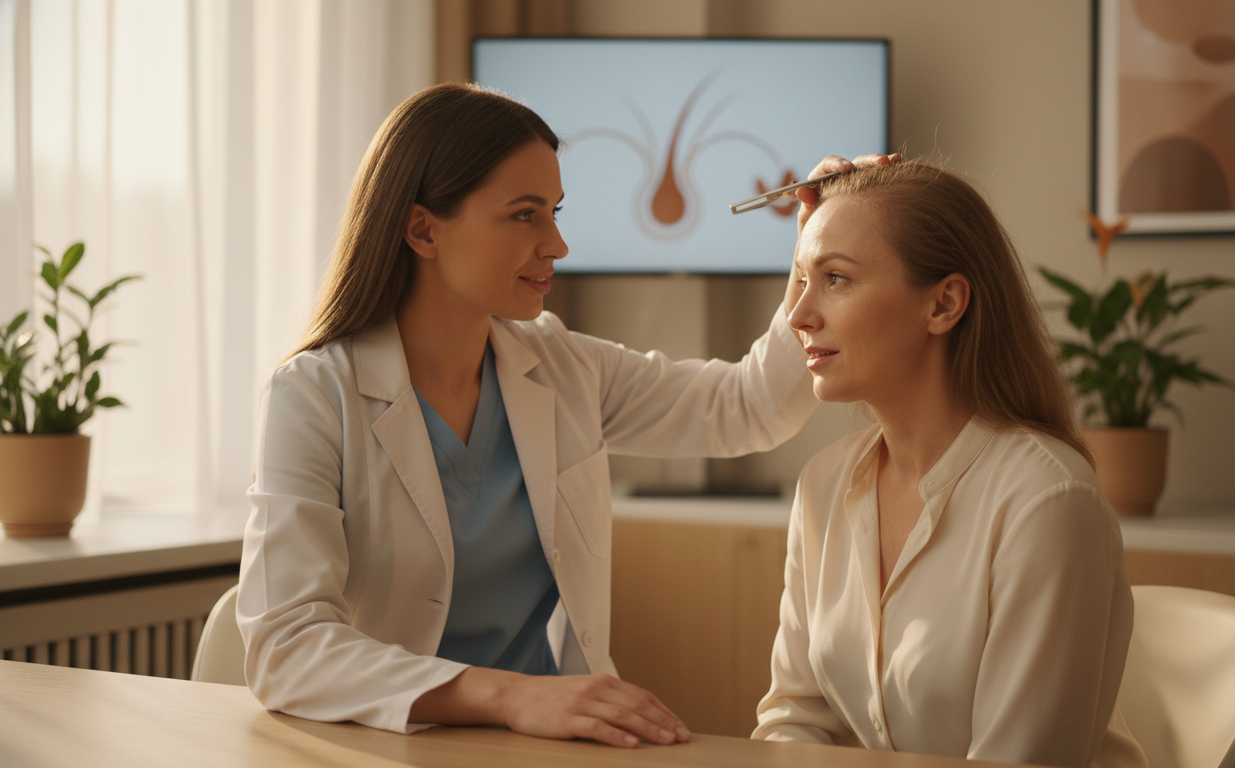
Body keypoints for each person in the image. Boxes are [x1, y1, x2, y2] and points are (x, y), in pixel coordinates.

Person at [238, 83, 821, 747]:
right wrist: (510, 696)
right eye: (525, 216)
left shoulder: (560, 364)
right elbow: (285, 646)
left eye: (555, 212)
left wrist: (814, 252)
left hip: (550, 745)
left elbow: (748, 408)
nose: (558, 244)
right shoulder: (313, 394)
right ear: (422, 229)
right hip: (399, 743)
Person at [752, 160, 1148, 768]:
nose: (799, 315)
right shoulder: (823, 484)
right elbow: (794, 721)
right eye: (800, 280)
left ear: (944, 303)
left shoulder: (1047, 500)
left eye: (835, 279)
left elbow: (1016, 761)